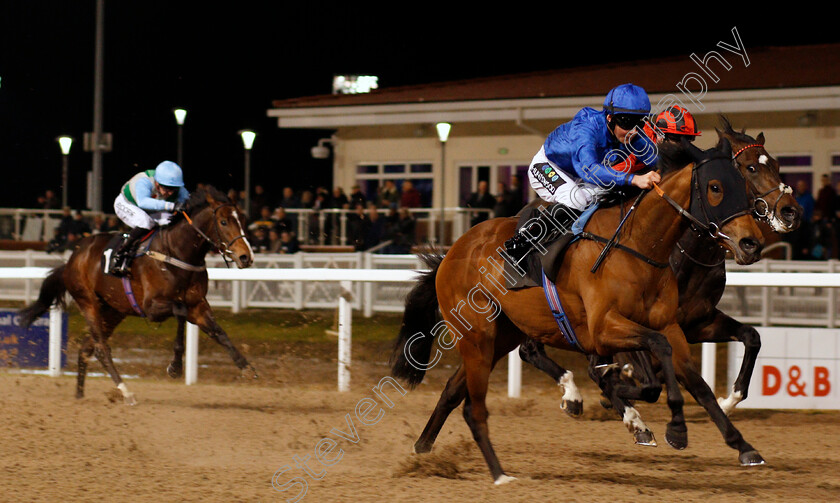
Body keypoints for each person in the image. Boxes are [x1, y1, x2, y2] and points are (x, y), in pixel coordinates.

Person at [505, 83, 661, 259]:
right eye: (627, 123)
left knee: (609, 192)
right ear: (610, 118)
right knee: (577, 200)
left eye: (638, 124)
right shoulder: (586, 127)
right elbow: (590, 169)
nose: (633, 131)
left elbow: (657, 159)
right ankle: (524, 238)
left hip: (577, 175)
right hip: (548, 166)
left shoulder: (630, 133)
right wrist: (634, 179)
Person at [110, 161, 189, 276]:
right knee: (145, 222)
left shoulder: (178, 189)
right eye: (166, 188)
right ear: (157, 183)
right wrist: (172, 206)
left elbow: (187, 200)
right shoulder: (144, 181)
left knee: (170, 221)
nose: (170, 192)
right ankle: (120, 254)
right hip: (127, 204)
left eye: (173, 189)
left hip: (151, 210)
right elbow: (143, 203)